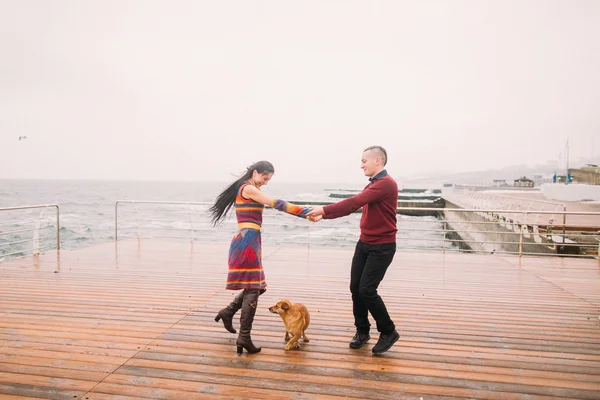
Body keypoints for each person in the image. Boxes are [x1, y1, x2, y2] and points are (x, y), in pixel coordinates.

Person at [209, 161, 311, 355]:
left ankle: (229, 312)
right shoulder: (248, 188)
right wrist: (305, 213)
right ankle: (244, 337)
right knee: (254, 288)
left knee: (258, 286)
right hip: (246, 242)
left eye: (268, 180)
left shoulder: (248, 187)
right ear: (255, 173)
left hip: (250, 240)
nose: (265, 182)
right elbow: (276, 203)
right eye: (264, 178)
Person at [307, 145, 400, 355]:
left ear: (377, 160)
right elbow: (355, 206)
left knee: (367, 290)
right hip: (365, 243)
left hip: (382, 246)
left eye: (364, 161)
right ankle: (362, 331)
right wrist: (325, 215)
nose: (361, 165)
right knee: (355, 287)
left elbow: (354, 202)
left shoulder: (386, 183)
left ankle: (389, 331)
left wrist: (323, 210)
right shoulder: (374, 184)